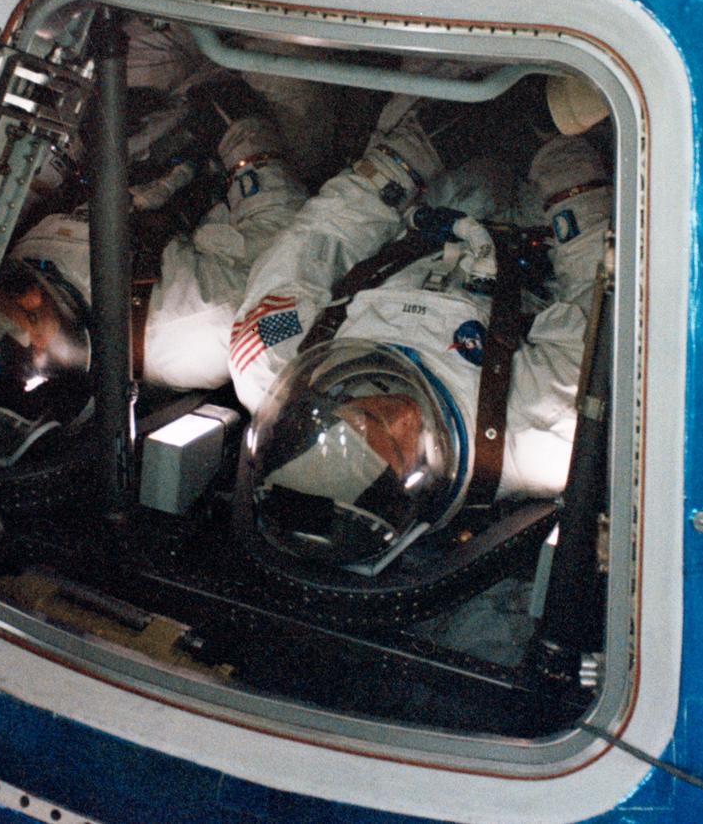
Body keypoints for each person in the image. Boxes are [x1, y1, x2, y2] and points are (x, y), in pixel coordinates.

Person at [231, 92, 611, 574]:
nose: (402, 418)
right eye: (397, 445)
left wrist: (414, 153)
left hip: (425, 191)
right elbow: (597, 284)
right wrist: (555, 154)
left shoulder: (271, 355)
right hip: (547, 217)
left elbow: (319, 240)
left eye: (364, 417)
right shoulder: (541, 433)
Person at [0, 107, 307, 462]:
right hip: (259, 143)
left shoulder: (18, 249)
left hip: (149, 126)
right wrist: (244, 139)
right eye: (29, 314)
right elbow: (289, 235)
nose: (31, 294)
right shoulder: (192, 327)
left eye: (7, 291)